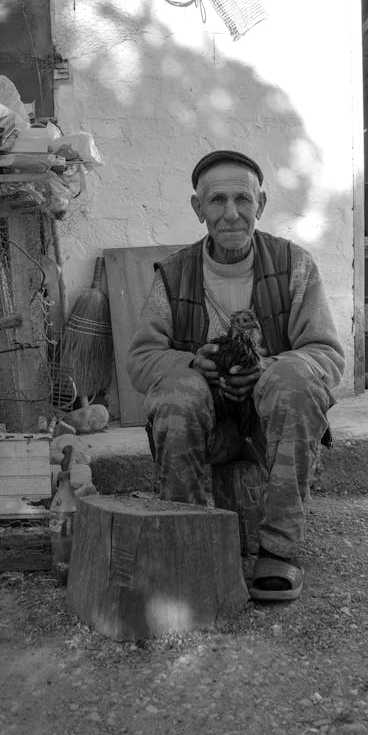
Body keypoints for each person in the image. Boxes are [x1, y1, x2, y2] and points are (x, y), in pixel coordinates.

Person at [127, 149, 345, 601]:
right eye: (217, 201)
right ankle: (189, 546)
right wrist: (192, 364)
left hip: (273, 427)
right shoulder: (172, 275)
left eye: (243, 200)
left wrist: (267, 369)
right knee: (175, 396)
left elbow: (327, 355)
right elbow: (142, 360)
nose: (231, 214)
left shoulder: (295, 266)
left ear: (260, 204)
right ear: (198, 208)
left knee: (295, 381)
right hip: (207, 424)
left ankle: (279, 552)